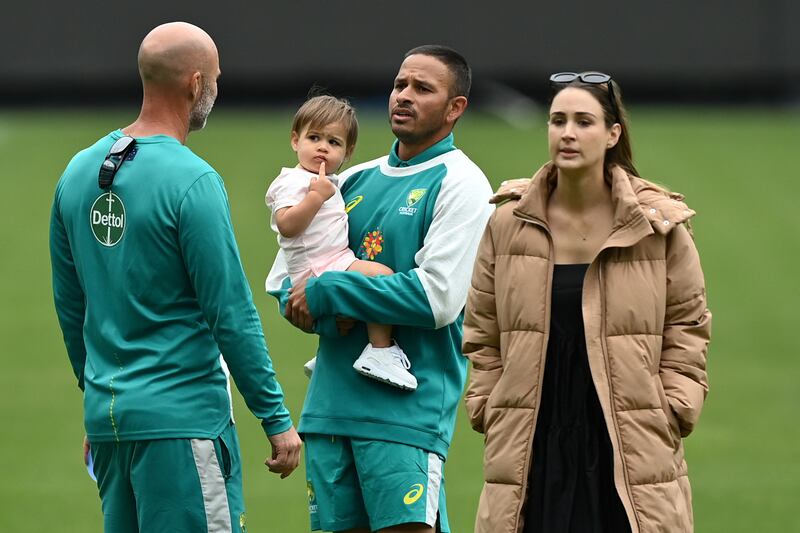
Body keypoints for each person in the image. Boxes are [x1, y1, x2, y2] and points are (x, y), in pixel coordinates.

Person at [49, 22, 302, 533]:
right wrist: (275, 419)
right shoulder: (194, 181)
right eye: (215, 77)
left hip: (110, 425)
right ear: (194, 85)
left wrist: (99, 398)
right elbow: (230, 313)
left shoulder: (76, 173)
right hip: (184, 425)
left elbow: (71, 306)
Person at [463, 71, 712, 533]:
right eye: (558, 121)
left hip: (628, 440)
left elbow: (688, 325)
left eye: (584, 121)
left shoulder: (659, 227)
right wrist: (488, 402)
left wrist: (673, 405)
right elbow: (482, 330)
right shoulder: (506, 223)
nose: (568, 133)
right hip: (533, 439)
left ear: (613, 133)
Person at [266, 45, 493, 532]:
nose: (404, 96)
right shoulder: (348, 179)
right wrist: (320, 306)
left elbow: (436, 299)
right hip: (328, 412)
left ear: (456, 108)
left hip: (405, 416)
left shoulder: (463, 183)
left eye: (422, 89)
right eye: (399, 85)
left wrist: (330, 295)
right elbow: (285, 285)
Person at [265, 94, 417, 390]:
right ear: (295, 141)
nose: (323, 147)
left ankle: (329, 358)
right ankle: (380, 352)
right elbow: (287, 225)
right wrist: (315, 197)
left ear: (348, 152)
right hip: (319, 267)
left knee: (354, 308)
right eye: (314, 137)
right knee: (382, 278)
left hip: (332, 260)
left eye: (334, 143)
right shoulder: (292, 182)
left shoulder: (332, 181)